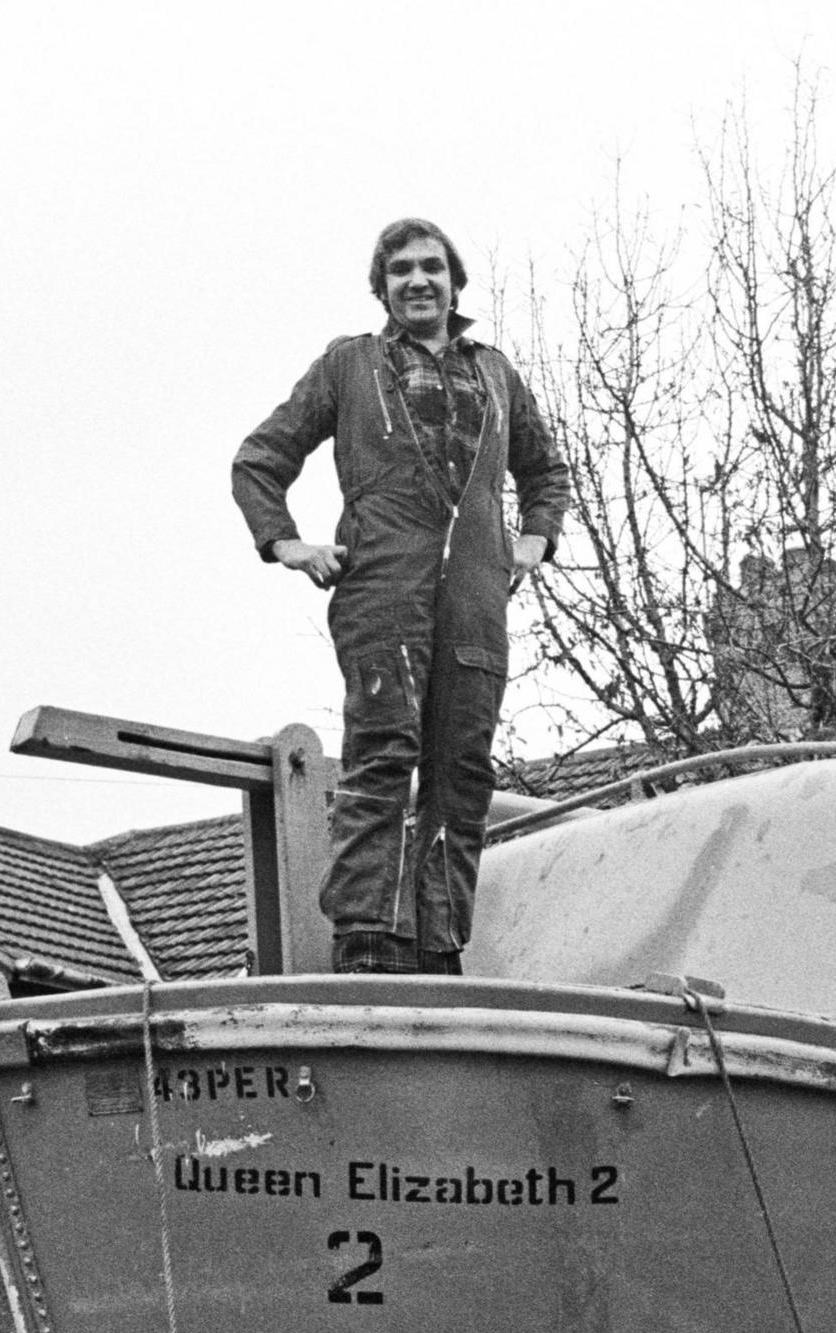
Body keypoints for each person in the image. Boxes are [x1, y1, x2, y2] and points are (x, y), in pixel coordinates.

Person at [232, 217, 573, 973]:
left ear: (455, 282)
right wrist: (288, 544)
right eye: (400, 272)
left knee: (462, 768)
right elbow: (261, 459)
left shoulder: (496, 374)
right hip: (383, 584)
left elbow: (546, 470)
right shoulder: (350, 366)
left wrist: (534, 540)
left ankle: (439, 942)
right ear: (382, 289)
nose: (418, 281)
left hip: (475, 595)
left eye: (431, 268)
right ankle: (368, 935)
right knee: (385, 751)